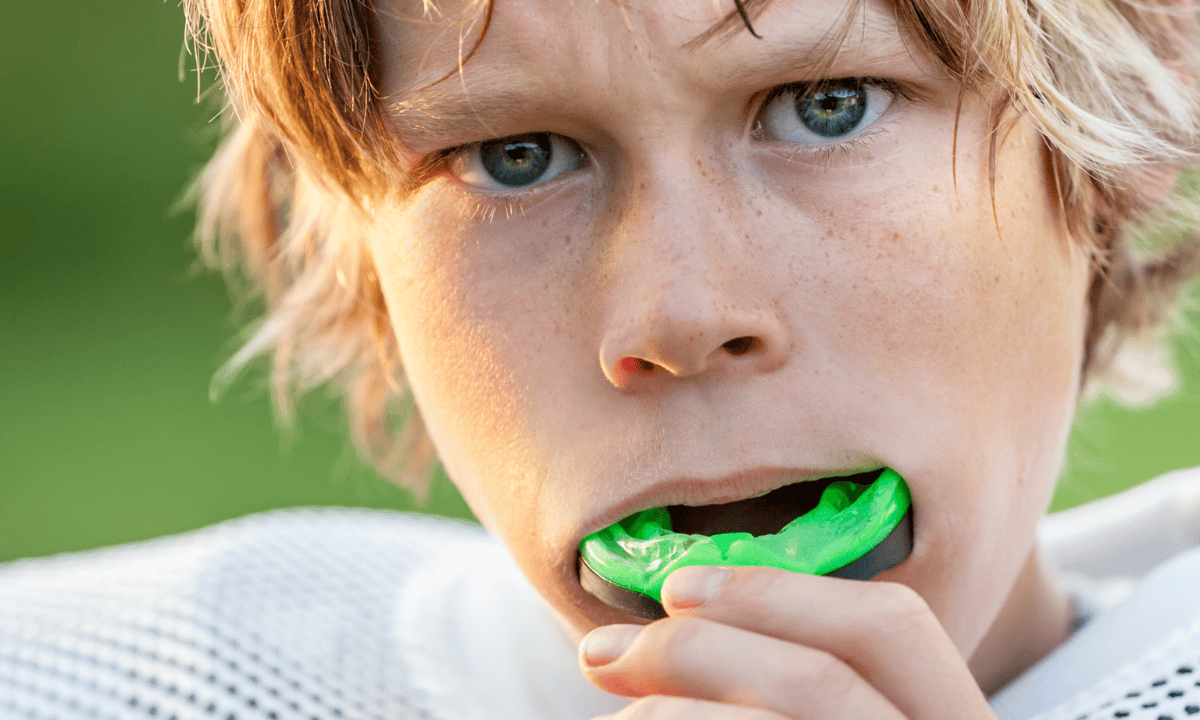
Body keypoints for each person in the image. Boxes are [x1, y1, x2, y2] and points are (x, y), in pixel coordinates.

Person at [3, 0, 1200, 718]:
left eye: (826, 103)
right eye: (517, 155)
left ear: (1138, 98)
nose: (678, 315)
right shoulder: (110, 680)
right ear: (348, 235)